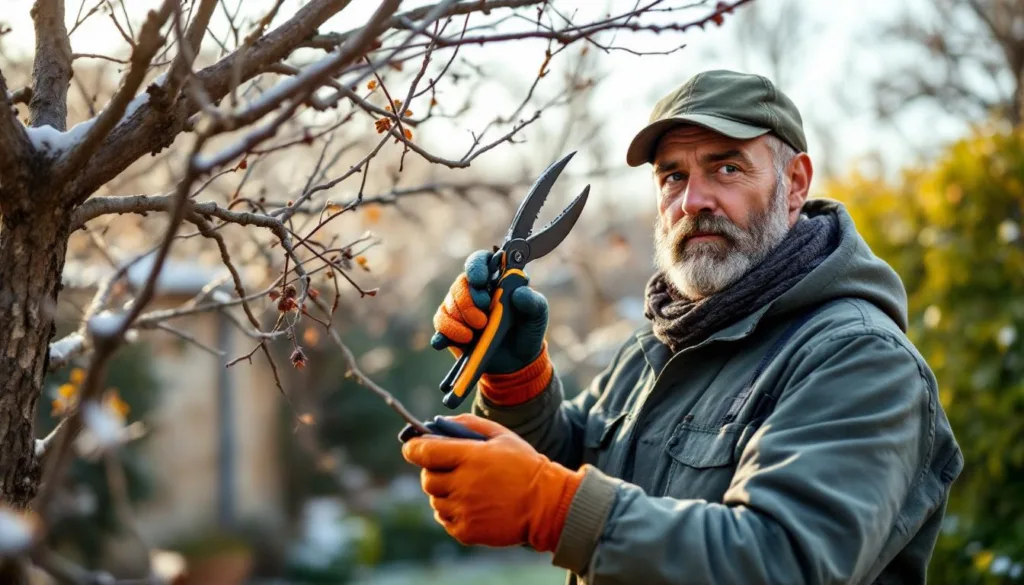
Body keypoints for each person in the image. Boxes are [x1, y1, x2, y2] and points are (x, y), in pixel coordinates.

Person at [400, 69, 963, 585]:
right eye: (673, 176)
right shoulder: (663, 340)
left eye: (726, 167)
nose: (694, 200)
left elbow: (781, 560)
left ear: (795, 184)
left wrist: (554, 508)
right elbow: (570, 465)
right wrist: (517, 378)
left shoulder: (859, 360)